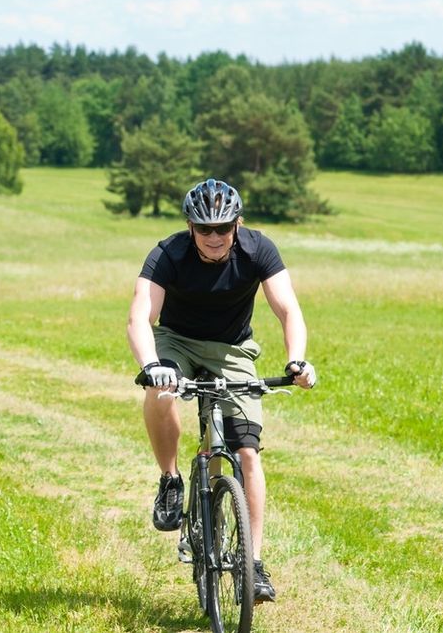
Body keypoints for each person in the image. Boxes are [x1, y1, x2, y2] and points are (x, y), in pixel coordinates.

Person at [126, 178, 317, 604]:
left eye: (223, 228)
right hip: (176, 341)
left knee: (246, 451)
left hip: (232, 348)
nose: (214, 238)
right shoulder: (168, 254)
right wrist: (151, 365)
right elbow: (141, 315)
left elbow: (288, 308)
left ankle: (253, 562)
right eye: (204, 229)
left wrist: (297, 360)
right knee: (160, 393)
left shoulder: (258, 249)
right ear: (190, 227)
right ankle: (171, 479)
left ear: (237, 224)